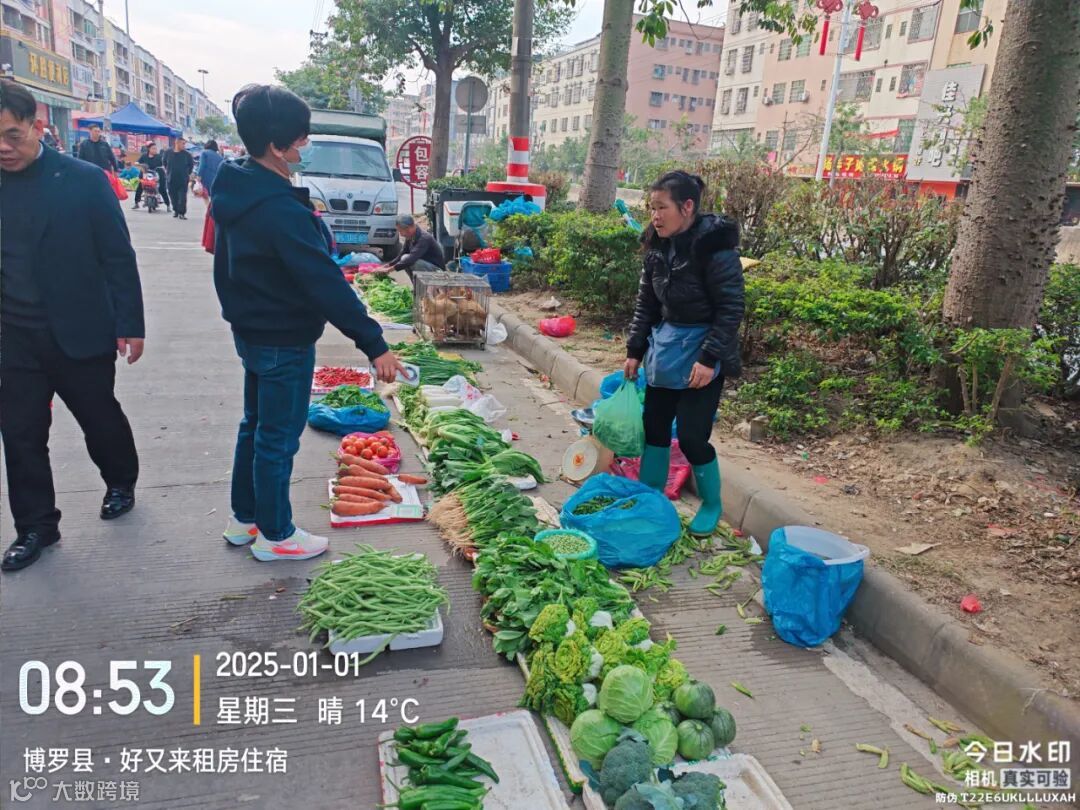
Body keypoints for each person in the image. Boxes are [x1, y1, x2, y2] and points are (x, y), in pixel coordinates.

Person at [212, 83, 405, 563]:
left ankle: (245, 519)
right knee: (276, 438)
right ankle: (276, 535)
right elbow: (324, 282)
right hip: (283, 336)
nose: (305, 144)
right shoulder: (277, 207)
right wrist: (374, 342)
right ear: (275, 145)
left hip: (253, 330)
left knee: (255, 426)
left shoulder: (240, 187)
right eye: (300, 137)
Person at [0, 80, 145, 572]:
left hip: (80, 328)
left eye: (13, 135)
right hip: (14, 335)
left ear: (37, 127)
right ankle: (36, 527)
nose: (4, 147)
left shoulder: (83, 180)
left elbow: (117, 256)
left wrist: (130, 323)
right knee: (20, 434)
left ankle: (120, 480)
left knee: (98, 416)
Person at [624, 170, 745, 538]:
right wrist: (635, 349)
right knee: (655, 428)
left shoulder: (715, 249)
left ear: (687, 207)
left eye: (662, 208)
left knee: (692, 436)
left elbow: (731, 309)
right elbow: (647, 303)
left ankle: (711, 504)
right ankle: (651, 497)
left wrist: (709, 359)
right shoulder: (658, 247)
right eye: (652, 208)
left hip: (702, 353)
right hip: (666, 350)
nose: (655, 216)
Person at [380, 214, 445, 278]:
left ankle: (423, 284)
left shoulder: (424, 238)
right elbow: (403, 253)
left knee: (409, 261)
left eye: (401, 231)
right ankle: (416, 283)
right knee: (404, 258)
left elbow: (411, 259)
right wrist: (389, 265)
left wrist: (389, 270)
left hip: (437, 272)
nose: (401, 234)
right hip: (426, 266)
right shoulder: (411, 236)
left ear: (408, 228)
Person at [163, 135, 194, 219]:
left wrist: (188, 174)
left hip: (183, 179)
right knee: (173, 196)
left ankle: (182, 213)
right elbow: (164, 163)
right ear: (176, 143)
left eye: (184, 144)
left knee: (182, 197)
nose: (184, 146)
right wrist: (167, 172)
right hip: (171, 178)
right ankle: (176, 210)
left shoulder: (187, 154)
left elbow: (191, 165)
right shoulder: (168, 153)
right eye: (182, 144)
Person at [134, 142, 167, 210]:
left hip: (156, 174)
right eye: (153, 148)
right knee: (140, 187)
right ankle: (136, 203)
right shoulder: (144, 156)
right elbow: (138, 162)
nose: (155, 150)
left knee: (162, 188)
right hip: (145, 174)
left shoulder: (159, 157)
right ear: (149, 149)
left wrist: (164, 167)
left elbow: (164, 164)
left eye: (155, 149)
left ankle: (168, 205)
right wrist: (137, 164)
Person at [196, 139, 223, 206]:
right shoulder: (219, 157)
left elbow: (202, 165)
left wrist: (199, 176)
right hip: (216, 179)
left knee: (205, 196)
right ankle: (213, 209)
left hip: (206, 178)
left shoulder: (204, 153)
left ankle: (209, 210)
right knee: (212, 196)